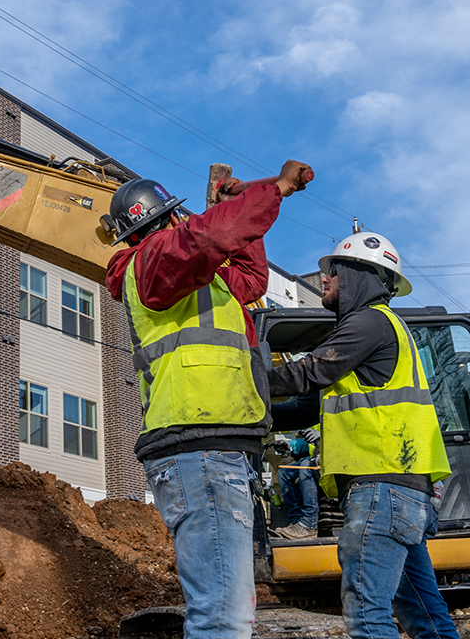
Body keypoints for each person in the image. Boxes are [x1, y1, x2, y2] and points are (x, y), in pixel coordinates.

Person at [104, 160, 312, 639]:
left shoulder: (195, 274)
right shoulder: (154, 260)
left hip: (214, 445)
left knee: (228, 612)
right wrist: (272, 189)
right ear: (165, 221)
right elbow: (206, 238)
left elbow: (249, 277)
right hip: (197, 447)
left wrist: (233, 206)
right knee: (223, 617)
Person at [269, 231, 459, 639]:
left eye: (332, 271)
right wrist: (259, 417)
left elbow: (308, 372)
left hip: (381, 488)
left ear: (358, 276)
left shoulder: (368, 322)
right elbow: (310, 404)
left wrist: (240, 382)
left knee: (367, 613)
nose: (325, 279)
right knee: (425, 614)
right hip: (406, 492)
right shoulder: (380, 329)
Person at [275, 428, 319, 539]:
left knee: (305, 465)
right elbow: (306, 443)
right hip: (315, 459)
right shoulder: (316, 418)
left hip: (333, 460)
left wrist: (321, 436)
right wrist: (289, 445)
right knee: (283, 472)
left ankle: (309, 524)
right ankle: (296, 520)